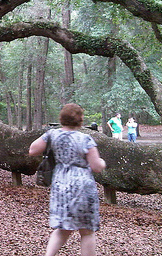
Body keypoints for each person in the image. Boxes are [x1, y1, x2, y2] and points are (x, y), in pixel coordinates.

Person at [29, 103, 106, 256]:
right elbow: (96, 166)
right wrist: (103, 162)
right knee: (87, 231)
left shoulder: (52, 135)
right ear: (80, 120)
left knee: (62, 229)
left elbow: (32, 150)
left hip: (61, 185)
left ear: (62, 118)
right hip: (82, 187)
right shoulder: (85, 139)